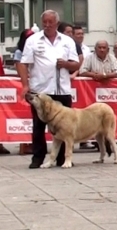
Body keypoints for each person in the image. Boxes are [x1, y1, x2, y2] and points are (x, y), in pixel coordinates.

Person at [18, 10, 81, 169]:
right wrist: (25, 85)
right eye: (44, 22)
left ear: (57, 24)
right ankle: (38, 157)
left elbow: (76, 64)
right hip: (41, 91)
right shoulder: (32, 40)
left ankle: (62, 158)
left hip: (62, 90)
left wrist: (66, 64)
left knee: (64, 127)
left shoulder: (67, 41)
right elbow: (23, 63)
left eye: (50, 22)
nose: (47, 25)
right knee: (38, 125)